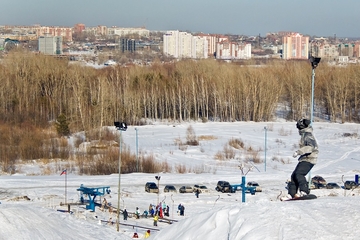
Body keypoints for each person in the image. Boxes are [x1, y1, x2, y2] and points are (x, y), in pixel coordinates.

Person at [285, 118, 319, 199]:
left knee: (299, 174)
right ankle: (292, 194)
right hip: (305, 158)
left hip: (310, 158)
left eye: (298, 127)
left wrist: (298, 152)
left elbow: (310, 147)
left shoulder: (308, 135)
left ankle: (304, 191)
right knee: (293, 176)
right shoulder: (304, 135)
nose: (298, 129)